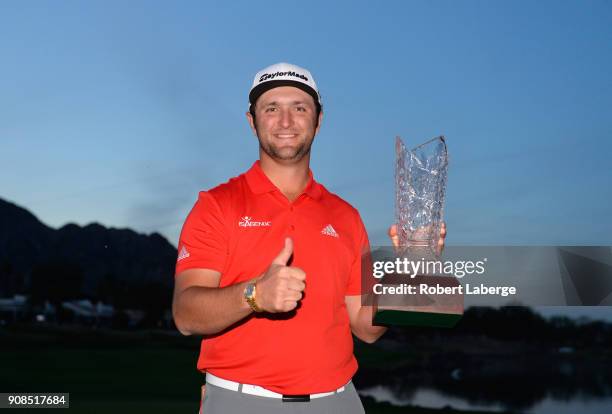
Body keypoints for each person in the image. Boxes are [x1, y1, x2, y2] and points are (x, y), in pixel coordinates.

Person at [172, 62, 446, 413]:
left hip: (338, 401)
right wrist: (255, 295)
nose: (286, 121)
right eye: (272, 108)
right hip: (241, 401)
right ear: (252, 121)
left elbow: (367, 328)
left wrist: (411, 274)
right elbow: (186, 314)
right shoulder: (217, 205)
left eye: (299, 108)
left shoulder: (346, 217)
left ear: (318, 120)